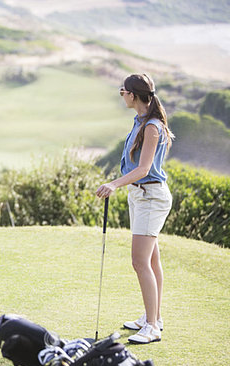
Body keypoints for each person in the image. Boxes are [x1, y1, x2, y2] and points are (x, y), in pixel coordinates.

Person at [96, 73, 174, 345]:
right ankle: (153, 317)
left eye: (123, 91)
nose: (122, 95)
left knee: (140, 262)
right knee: (151, 261)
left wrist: (113, 184)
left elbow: (143, 169)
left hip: (151, 197)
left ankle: (152, 326)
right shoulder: (141, 122)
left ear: (133, 95)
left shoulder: (152, 127)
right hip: (141, 196)